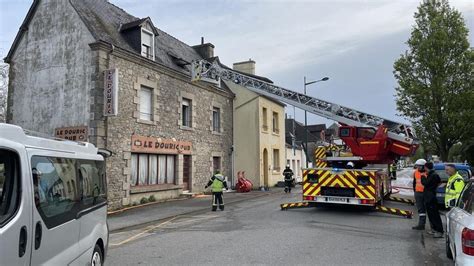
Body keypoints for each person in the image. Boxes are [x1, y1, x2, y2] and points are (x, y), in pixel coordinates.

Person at [421, 162, 444, 238]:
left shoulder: (433, 175)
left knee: (434, 215)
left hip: (430, 198)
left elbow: (426, 183)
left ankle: (439, 231)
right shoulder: (432, 174)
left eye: (424, 168)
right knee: (431, 215)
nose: (424, 169)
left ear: (426, 167)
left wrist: (423, 177)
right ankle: (434, 229)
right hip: (429, 197)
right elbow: (438, 182)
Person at [412, 159, 428, 230]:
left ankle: (433, 226)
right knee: (421, 210)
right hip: (418, 193)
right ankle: (421, 224)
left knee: (429, 210)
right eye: (417, 166)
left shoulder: (427, 173)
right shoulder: (415, 172)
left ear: (424, 166)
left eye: (419, 166)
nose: (418, 167)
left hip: (426, 193)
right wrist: (415, 191)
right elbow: (414, 182)